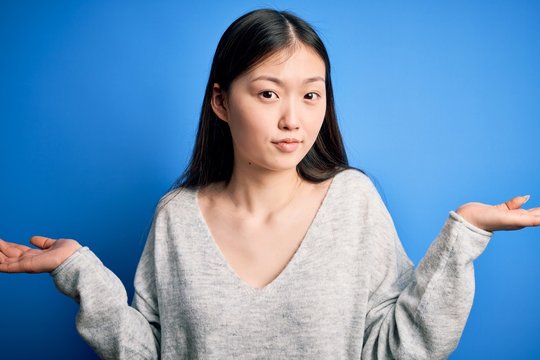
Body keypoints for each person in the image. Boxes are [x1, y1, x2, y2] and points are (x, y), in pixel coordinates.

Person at [0, 8, 538, 360]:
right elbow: (148, 353)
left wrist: (463, 233)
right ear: (220, 103)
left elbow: (398, 348)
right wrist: (79, 272)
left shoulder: (353, 201)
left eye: (311, 95)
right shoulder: (177, 215)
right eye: (267, 93)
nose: (294, 120)